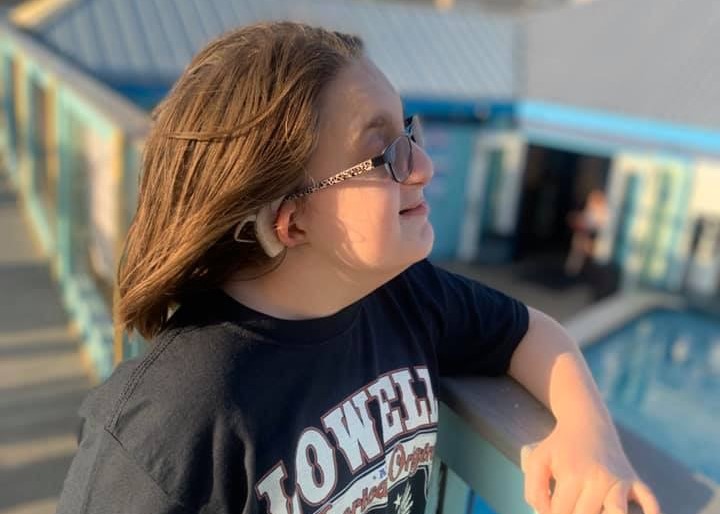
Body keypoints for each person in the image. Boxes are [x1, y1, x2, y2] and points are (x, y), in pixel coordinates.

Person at [57, 22, 659, 514]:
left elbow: (528, 332)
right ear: (288, 221)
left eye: (409, 133)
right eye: (382, 153)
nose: (422, 165)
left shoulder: (404, 295)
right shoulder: (171, 423)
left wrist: (588, 436)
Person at [565, 189, 610, 277]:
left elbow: (599, 223)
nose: (590, 201)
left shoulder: (601, 211)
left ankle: (581, 270)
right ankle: (573, 269)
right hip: (584, 233)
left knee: (586, 251)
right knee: (578, 250)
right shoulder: (591, 209)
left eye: (592, 199)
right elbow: (585, 218)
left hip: (592, 235)